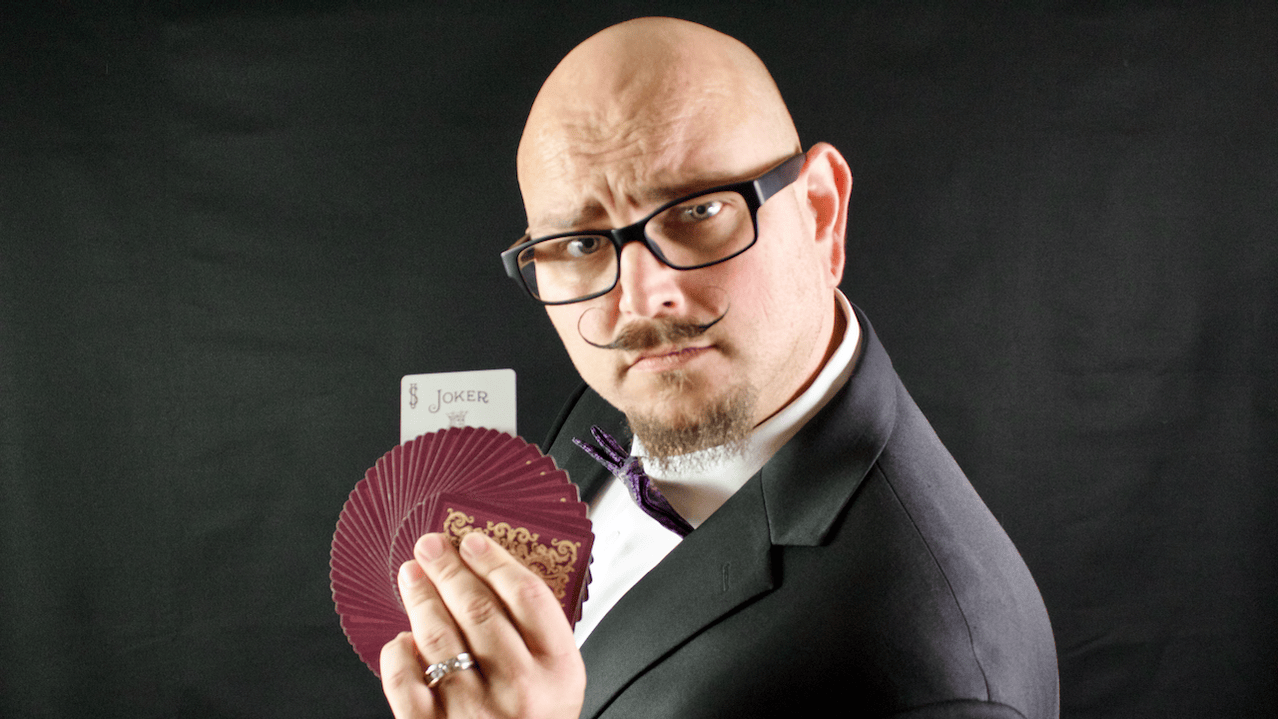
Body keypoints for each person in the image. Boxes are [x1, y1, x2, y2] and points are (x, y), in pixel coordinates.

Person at [380, 17, 1059, 719]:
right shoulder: (649, 375)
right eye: (582, 242)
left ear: (821, 213)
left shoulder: (933, 676)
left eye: (698, 210)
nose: (641, 300)